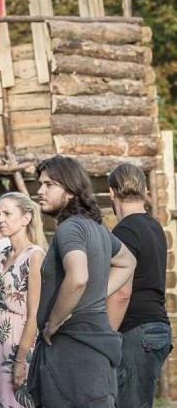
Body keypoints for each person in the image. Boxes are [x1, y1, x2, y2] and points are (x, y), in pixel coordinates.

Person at [27, 155, 136, 407]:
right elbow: (127, 262)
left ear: (71, 192)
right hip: (90, 353)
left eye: (49, 185)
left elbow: (78, 277)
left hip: (73, 353)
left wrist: (53, 322)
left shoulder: (70, 228)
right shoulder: (96, 228)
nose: (40, 191)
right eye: (40, 184)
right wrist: (97, 293)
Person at [105, 163, 172, 408]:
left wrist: (106, 336)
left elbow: (123, 291)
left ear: (112, 192)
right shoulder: (155, 226)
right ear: (143, 189)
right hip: (157, 328)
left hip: (137, 330)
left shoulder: (125, 231)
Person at [0, 192, 47, 408]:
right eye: (0, 213)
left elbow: (34, 313)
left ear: (25, 218)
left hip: (18, 342)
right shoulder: (2, 254)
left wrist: (20, 361)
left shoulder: (34, 255)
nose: (1, 219)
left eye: (7, 213)